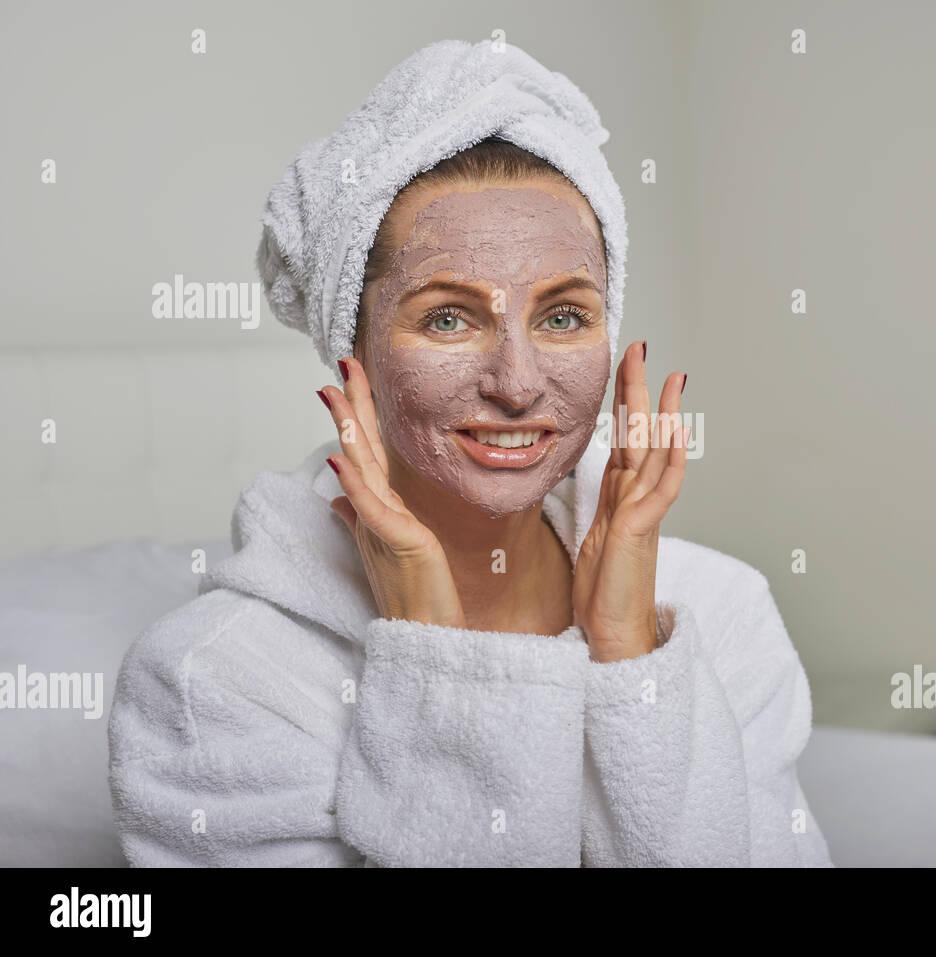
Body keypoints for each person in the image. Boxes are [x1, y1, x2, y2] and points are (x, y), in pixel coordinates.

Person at [107, 38, 832, 867]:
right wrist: (436, 670)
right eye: (449, 318)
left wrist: (630, 655)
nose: (518, 384)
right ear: (355, 356)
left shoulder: (719, 613)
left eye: (564, 316)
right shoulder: (223, 680)